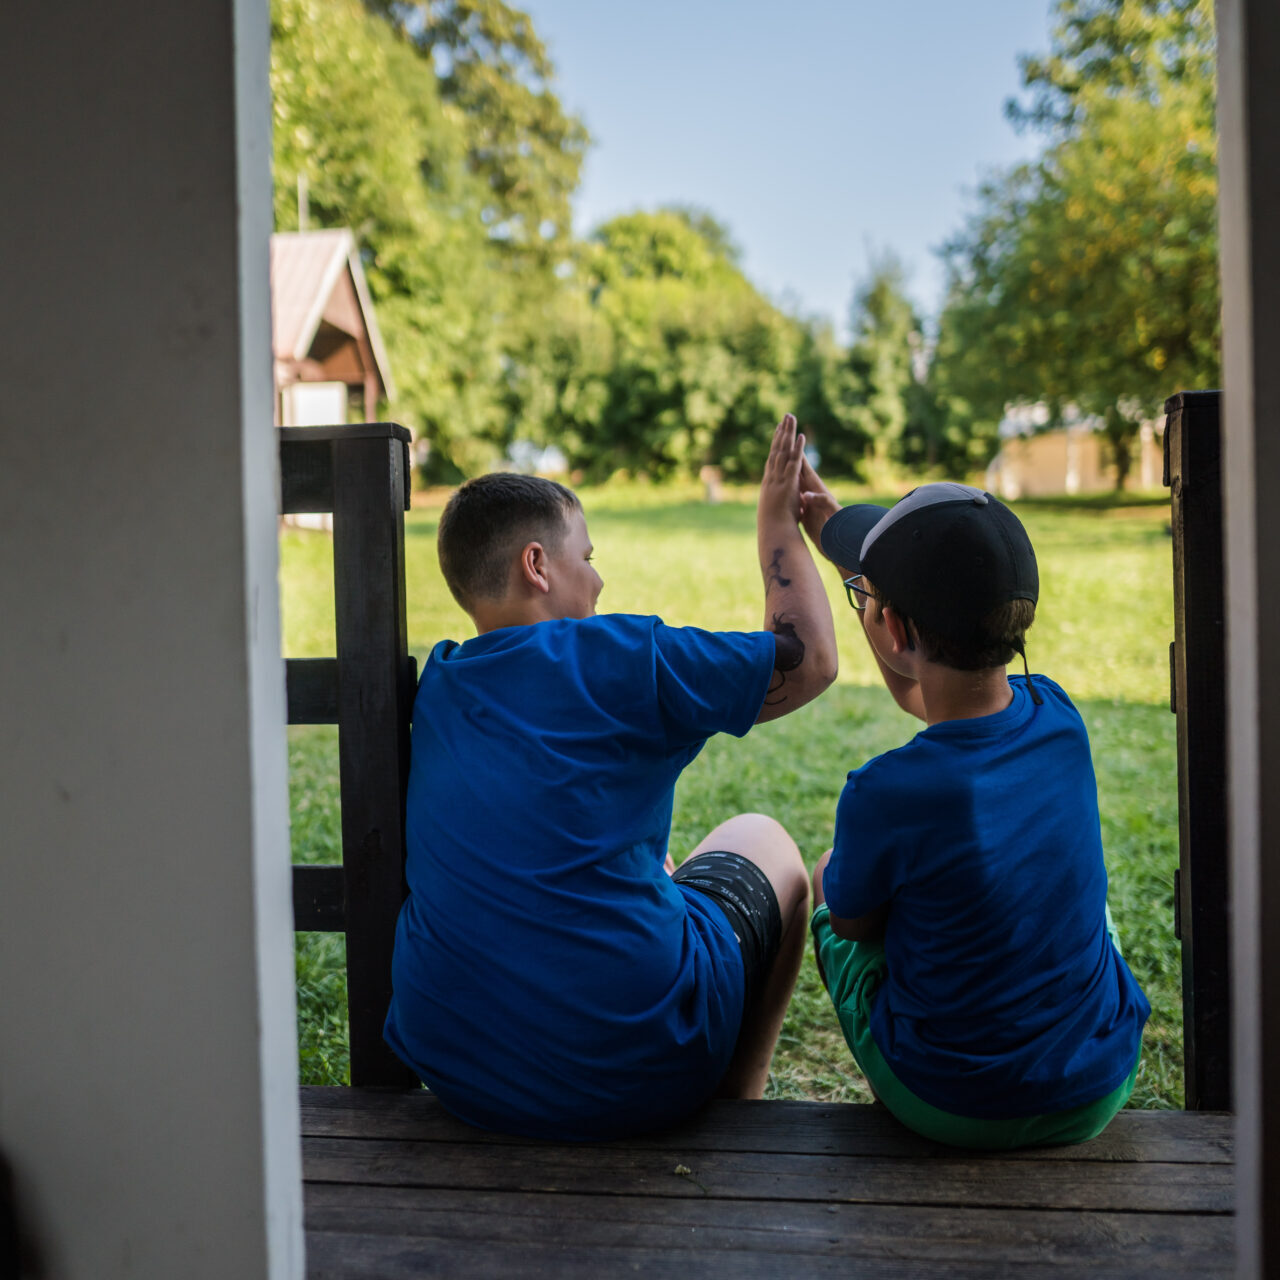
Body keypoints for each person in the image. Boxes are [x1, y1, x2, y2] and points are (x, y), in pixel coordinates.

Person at [384, 415, 838, 1140]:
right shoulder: (622, 656)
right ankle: (737, 1104)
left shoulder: (440, 682)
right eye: (585, 556)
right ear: (537, 565)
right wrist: (775, 520)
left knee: (647, 865)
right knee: (767, 841)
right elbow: (811, 661)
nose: (598, 577)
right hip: (641, 1066)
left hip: (463, 1069)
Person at [797, 464, 1150, 1149]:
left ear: (893, 630)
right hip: (1099, 1086)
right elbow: (924, 687)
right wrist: (846, 545)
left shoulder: (883, 791)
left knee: (830, 875)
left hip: (951, 1105)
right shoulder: (1059, 714)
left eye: (861, 596)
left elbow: (855, 924)